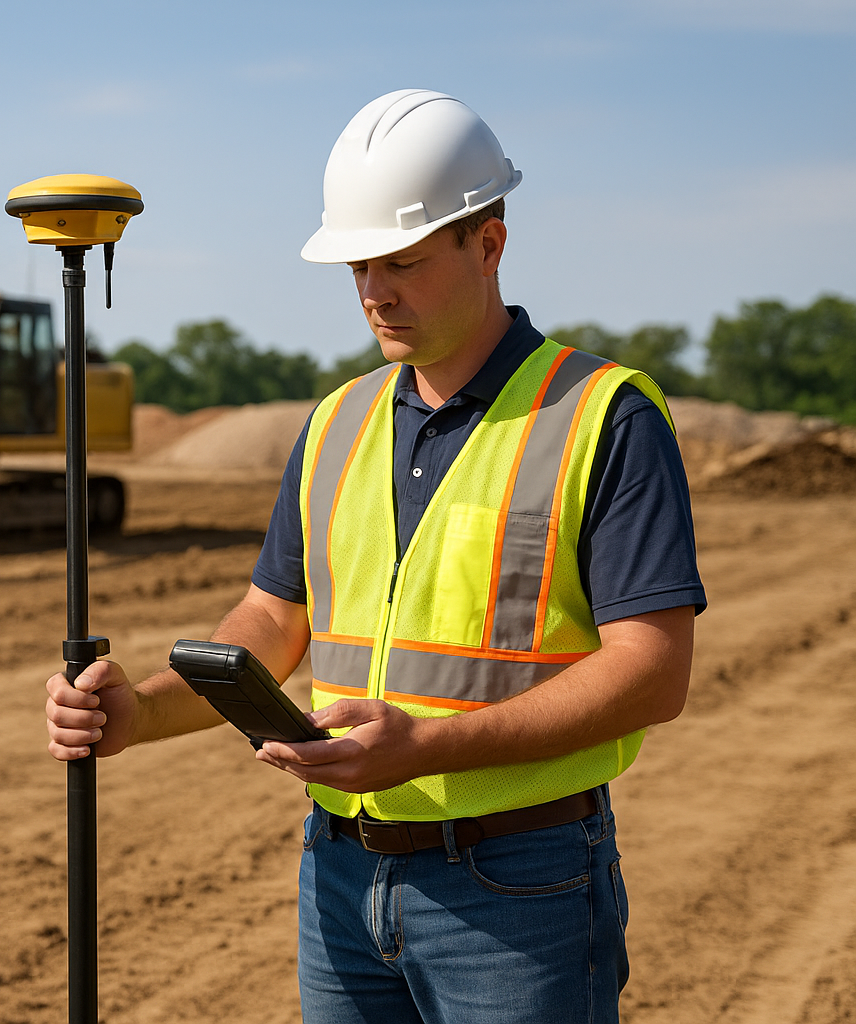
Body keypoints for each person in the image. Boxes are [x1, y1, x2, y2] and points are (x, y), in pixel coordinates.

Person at [44, 89, 705, 1024]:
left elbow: (652, 673)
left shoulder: (602, 416)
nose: (373, 291)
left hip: (519, 887)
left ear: (489, 244)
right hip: (341, 879)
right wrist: (137, 714)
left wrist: (428, 748)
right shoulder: (337, 422)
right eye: (358, 264)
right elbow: (274, 621)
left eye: (402, 260)